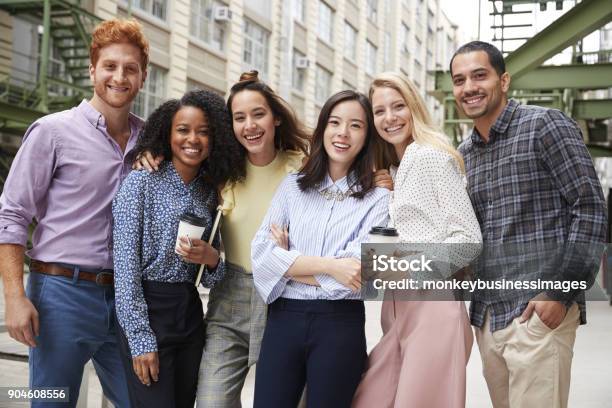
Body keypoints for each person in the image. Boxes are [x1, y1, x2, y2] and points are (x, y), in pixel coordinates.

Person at [0, 19, 148, 407]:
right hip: (61, 294)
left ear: (143, 77)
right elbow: (12, 216)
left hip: (129, 300)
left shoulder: (151, 141)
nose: (120, 76)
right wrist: (14, 296)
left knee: (143, 401)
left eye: (130, 68)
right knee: (51, 401)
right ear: (92, 70)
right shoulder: (52, 132)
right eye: (110, 66)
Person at [450, 41, 607, 408]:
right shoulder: (464, 154)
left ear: (503, 81)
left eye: (479, 75)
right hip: (488, 314)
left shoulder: (544, 126)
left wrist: (559, 292)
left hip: (538, 311)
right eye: (459, 80)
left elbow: (589, 208)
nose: (468, 87)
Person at [251, 90, 390, 408]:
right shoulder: (292, 187)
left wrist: (289, 264)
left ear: (367, 136)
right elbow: (261, 256)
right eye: (335, 122)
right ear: (322, 129)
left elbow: (359, 272)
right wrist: (331, 267)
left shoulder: (378, 199)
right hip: (283, 321)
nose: (343, 133)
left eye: (355, 125)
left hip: (339, 326)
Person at [351, 72, 482, 408]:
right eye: (380, 111)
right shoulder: (397, 168)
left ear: (414, 107)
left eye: (398, 106)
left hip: (432, 307)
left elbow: (468, 239)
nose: (390, 117)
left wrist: (409, 267)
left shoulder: (431, 156)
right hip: (397, 309)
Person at [112, 90, 242, 408]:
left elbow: (211, 278)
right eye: (183, 129)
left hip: (189, 311)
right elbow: (125, 264)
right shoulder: (140, 182)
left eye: (204, 131)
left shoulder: (210, 192)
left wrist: (212, 261)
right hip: (148, 308)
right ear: (167, 133)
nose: (193, 139)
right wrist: (140, 338)